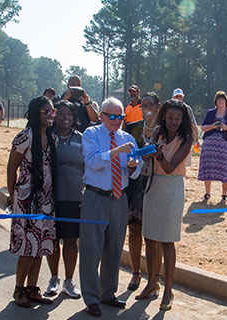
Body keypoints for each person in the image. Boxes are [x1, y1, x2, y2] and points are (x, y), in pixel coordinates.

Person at [79, 97, 139, 317]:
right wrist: (116, 152)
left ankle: (108, 293)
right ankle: (91, 298)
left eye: (120, 117)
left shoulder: (128, 138)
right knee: (91, 250)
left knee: (114, 249)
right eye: (111, 116)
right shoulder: (91, 134)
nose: (116, 121)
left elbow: (135, 168)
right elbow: (93, 161)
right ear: (102, 115)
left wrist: (133, 166)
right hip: (95, 197)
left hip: (119, 198)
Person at [137, 99, 193, 311]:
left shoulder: (186, 138)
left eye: (178, 118)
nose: (173, 121)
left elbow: (170, 167)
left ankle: (168, 291)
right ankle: (152, 283)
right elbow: (145, 154)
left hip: (172, 188)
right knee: (150, 238)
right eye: (170, 117)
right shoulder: (158, 131)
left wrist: (157, 154)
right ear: (164, 116)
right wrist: (148, 152)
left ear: (183, 119)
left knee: (167, 241)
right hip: (153, 185)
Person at [7, 96, 58, 307]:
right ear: (36, 113)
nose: (51, 115)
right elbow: (11, 168)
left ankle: (33, 287)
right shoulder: (24, 137)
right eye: (46, 111)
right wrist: (13, 196)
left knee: (41, 245)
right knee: (27, 247)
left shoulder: (52, 138)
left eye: (52, 111)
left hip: (47, 201)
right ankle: (19, 288)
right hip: (26, 201)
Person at [44, 100, 84, 299]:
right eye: (61, 114)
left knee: (70, 241)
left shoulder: (82, 139)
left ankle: (69, 281)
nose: (65, 117)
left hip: (73, 198)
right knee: (51, 240)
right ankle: (54, 278)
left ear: (74, 117)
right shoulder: (47, 136)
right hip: (50, 197)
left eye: (69, 114)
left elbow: (88, 167)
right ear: (54, 115)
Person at [123, 92, 162, 292]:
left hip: (156, 184)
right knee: (135, 229)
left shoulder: (165, 130)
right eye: (143, 104)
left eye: (150, 104)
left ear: (158, 105)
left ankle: (154, 278)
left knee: (153, 234)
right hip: (134, 184)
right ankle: (136, 273)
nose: (146, 108)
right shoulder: (132, 128)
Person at [198, 91, 227, 203]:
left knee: (225, 169)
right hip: (210, 145)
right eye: (218, 100)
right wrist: (212, 126)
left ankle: (224, 195)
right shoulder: (211, 113)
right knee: (208, 168)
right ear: (216, 102)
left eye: (222, 100)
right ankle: (207, 193)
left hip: (226, 145)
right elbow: (202, 128)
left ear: (226, 102)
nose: (220, 102)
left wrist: (226, 128)